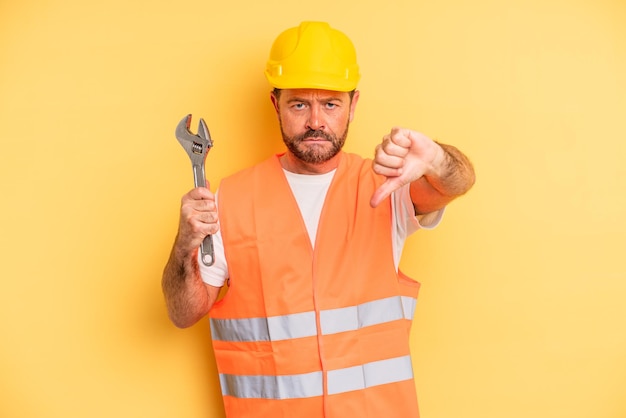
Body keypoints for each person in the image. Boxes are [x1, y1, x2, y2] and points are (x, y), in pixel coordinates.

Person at [162, 21, 475, 418]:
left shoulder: (386, 185)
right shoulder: (232, 198)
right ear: (275, 104)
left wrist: (436, 160)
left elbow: (456, 183)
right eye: (299, 104)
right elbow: (182, 312)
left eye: (330, 104)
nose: (315, 121)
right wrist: (183, 244)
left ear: (353, 105)